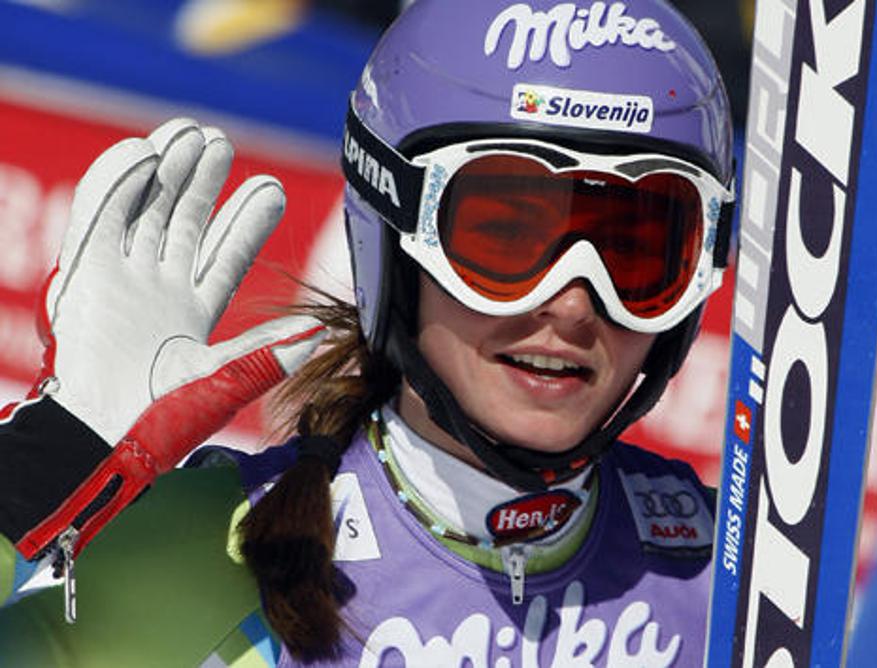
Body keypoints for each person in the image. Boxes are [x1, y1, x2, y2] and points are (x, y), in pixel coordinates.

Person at [0, 0, 736, 664]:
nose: (573, 305)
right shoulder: (213, 557)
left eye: (636, 252)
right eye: (506, 238)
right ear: (392, 243)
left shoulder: (735, 575)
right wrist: (43, 462)